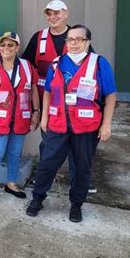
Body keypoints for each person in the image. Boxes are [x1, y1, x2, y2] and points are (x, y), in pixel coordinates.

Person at [26, 24, 116, 223]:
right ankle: (38, 198)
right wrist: (44, 117)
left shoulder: (99, 63)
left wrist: (106, 125)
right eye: (70, 39)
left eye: (79, 39)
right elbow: (48, 91)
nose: (74, 43)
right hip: (58, 123)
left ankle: (76, 204)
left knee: (82, 167)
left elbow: (110, 95)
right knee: (47, 163)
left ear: (87, 42)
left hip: (86, 127)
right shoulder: (58, 63)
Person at [22, 0, 97, 193]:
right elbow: (25, 66)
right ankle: (43, 178)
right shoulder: (38, 38)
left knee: (77, 147)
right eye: (49, 13)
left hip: (77, 105)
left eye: (57, 12)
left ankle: (80, 179)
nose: (52, 17)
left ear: (66, 13)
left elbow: (92, 66)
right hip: (49, 104)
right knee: (49, 144)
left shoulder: (77, 37)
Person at [0, 32, 40, 205]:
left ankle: (11, 184)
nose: (6, 48)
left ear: (17, 47)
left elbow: (34, 89)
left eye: (10, 45)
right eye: (3, 45)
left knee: (14, 153)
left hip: (22, 118)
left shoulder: (27, 66)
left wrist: (36, 112)